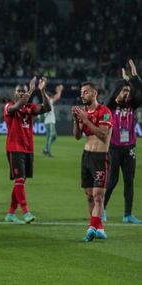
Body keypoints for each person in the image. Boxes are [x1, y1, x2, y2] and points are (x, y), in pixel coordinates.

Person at [4, 77, 50, 224]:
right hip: (14, 147)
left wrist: (42, 91)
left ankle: (10, 214)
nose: (21, 93)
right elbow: (17, 106)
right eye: (19, 91)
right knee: (19, 180)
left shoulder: (29, 107)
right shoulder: (9, 106)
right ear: (14, 93)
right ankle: (26, 212)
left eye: (23, 91)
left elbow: (47, 108)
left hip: (28, 148)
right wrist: (31, 90)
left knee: (20, 181)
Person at [72, 81, 113, 242]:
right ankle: (99, 228)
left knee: (98, 196)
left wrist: (85, 119)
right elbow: (76, 136)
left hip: (100, 158)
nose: (82, 95)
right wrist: (77, 120)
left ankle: (91, 228)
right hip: (86, 157)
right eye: (81, 92)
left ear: (94, 94)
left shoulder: (105, 112)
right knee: (89, 196)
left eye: (86, 92)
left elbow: (103, 134)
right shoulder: (84, 112)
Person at [103, 60, 142, 224]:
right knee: (112, 180)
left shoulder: (133, 104)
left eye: (128, 91)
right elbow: (110, 98)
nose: (127, 93)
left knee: (129, 181)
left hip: (129, 148)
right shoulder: (111, 105)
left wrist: (134, 77)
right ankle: (102, 210)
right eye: (124, 91)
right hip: (114, 148)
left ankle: (127, 214)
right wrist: (123, 82)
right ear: (118, 91)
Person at [42, 84, 63, 157]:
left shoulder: (44, 103)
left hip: (47, 121)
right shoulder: (49, 101)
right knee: (53, 135)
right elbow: (58, 97)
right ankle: (47, 150)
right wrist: (59, 90)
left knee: (49, 137)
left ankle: (46, 149)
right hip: (51, 122)